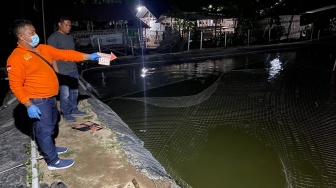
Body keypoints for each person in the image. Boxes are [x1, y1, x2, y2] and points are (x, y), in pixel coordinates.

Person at [6, 19, 100, 170]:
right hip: (38, 101)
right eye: (32, 33)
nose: (36, 35)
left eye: (35, 31)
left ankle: (50, 149)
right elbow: (15, 85)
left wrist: (88, 56)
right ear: (21, 37)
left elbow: (66, 55)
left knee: (49, 126)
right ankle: (53, 162)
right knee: (44, 131)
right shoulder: (16, 57)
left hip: (50, 97)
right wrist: (28, 104)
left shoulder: (42, 49)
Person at [47, 16, 85, 122]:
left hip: (73, 68)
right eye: (66, 25)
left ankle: (74, 109)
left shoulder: (70, 37)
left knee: (75, 92)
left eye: (70, 25)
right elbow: (52, 56)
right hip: (62, 70)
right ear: (60, 24)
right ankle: (66, 112)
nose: (68, 27)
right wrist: (56, 72)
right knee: (65, 94)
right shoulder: (53, 37)